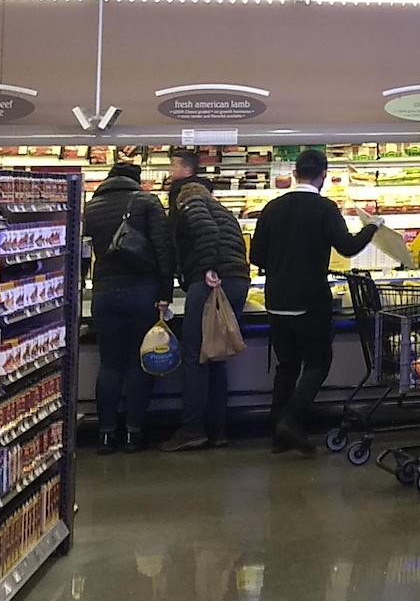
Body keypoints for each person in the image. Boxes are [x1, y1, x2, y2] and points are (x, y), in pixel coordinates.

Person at [248, 148, 378, 455]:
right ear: (323, 176)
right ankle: (290, 422)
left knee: (287, 366)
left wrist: (281, 264)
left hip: (276, 301)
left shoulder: (273, 207)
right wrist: (373, 227)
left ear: (295, 174)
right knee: (318, 364)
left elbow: (256, 256)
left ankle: (277, 434)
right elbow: (347, 247)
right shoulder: (324, 208)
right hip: (310, 301)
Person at [157, 148, 252, 452]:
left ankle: (192, 429)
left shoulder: (191, 204)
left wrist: (209, 268)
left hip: (212, 282)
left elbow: (206, 233)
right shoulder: (221, 209)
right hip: (236, 280)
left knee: (196, 355)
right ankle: (218, 430)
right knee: (217, 354)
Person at [83, 161, 167, 454]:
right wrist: (165, 291)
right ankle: (133, 434)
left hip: (105, 293)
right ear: (137, 179)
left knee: (110, 364)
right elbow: (162, 248)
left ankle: (105, 435)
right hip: (142, 291)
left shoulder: (91, 207)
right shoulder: (147, 202)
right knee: (138, 364)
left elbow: (83, 251)